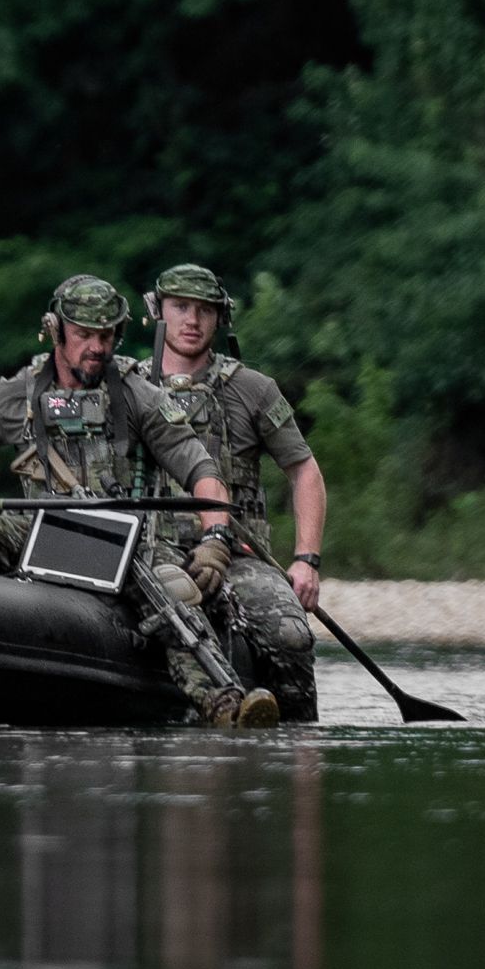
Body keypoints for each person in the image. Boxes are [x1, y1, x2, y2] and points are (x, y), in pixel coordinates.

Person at [0, 274, 278, 728]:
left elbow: (202, 471)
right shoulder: (17, 395)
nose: (96, 346)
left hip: (124, 539)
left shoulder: (138, 395)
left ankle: (223, 703)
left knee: (172, 590)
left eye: (106, 336)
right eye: (84, 335)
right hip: (41, 529)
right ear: (56, 331)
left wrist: (214, 537)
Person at [134, 262, 325, 722]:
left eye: (205, 310)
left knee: (290, 635)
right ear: (157, 312)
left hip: (238, 555)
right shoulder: (127, 386)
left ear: (221, 318)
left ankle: (299, 735)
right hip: (147, 552)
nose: (191, 321)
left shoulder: (252, 390)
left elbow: (305, 471)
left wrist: (306, 560)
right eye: (180, 307)